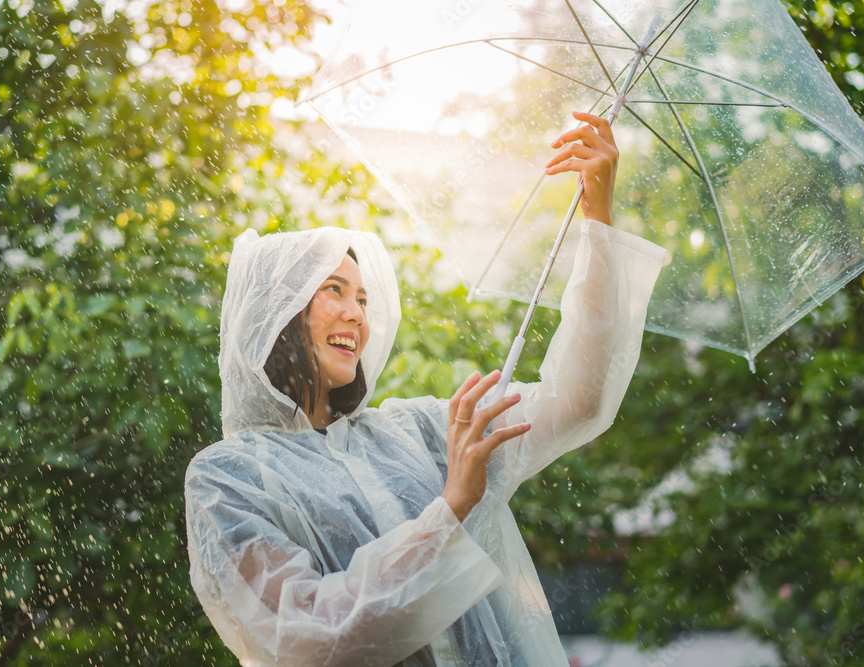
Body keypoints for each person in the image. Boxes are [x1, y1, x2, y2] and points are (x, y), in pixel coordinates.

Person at [184, 112, 667, 666]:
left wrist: (597, 221)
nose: (355, 314)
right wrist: (452, 506)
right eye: (334, 291)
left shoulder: (425, 432)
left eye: (363, 300)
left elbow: (578, 399)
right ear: (275, 314)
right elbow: (309, 638)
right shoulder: (229, 479)